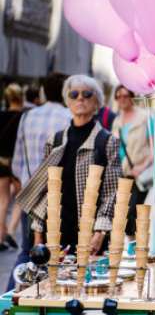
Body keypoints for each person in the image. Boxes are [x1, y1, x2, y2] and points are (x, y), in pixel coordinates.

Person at [16, 75, 121, 256]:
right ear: (67, 101)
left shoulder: (106, 141)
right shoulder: (55, 141)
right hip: (56, 232)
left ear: (97, 103)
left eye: (87, 94)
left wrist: (100, 233)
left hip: (89, 236)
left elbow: (111, 193)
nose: (80, 98)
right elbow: (45, 190)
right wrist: (39, 233)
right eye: (74, 94)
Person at [7, 72, 71, 291]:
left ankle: (9, 302)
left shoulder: (27, 117)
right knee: (57, 250)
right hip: (56, 195)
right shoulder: (69, 118)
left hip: (30, 192)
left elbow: (17, 163)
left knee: (27, 250)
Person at [112, 85, 153, 242]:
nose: (122, 99)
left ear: (132, 96)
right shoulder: (117, 121)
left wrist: (143, 165)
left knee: (133, 209)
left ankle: (139, 245)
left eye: (125, 95)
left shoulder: (144, 117)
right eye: (119, 96)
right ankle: (132, 245)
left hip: (139, 174)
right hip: (122, 173)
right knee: (123, 211)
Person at [0, 83, 25, 252]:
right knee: (21, 198)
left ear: (8, 99)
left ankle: (0, 238)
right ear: (21, 98)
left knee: (3, 200)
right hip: (17, 161)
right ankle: (10, 231)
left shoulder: (0, 115)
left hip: (1, 160)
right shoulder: (24, 117)